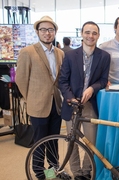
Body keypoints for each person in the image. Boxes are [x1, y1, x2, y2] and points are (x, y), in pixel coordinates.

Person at [59, 21, 111, 180]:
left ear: (98, 35)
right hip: (71, 103)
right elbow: (62, 81)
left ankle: (87, 171)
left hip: (90, 104)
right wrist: (70, 97)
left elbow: (103, 80)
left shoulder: (104, 56)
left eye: (94, 33)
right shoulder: (69, 55)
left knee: (91, 141)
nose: (91, 36)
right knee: (72, 140)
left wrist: (92, 88)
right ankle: (77, 173)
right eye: (87, 32)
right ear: (82, 34)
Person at [15, 16, 64, 179]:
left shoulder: (60, 53)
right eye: (43, 29)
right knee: (39, 143)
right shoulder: (27, 52)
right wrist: (31, 99)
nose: (47, 33)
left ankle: (53, 173)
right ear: (37, 32)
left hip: (55, 105)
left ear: (55, 32)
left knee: (53, 142)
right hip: (37, 106)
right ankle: (39, 174)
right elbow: (20, 79)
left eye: (50, 30)